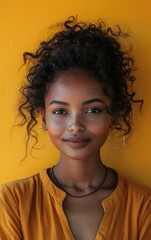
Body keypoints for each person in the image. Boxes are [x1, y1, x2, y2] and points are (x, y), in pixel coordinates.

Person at [0, 16, 150, 240]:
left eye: (93, 110)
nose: (76, 126)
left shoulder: (142, 207)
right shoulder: (12, 202)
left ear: (114, 115)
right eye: (60, 111)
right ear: (43, 118)